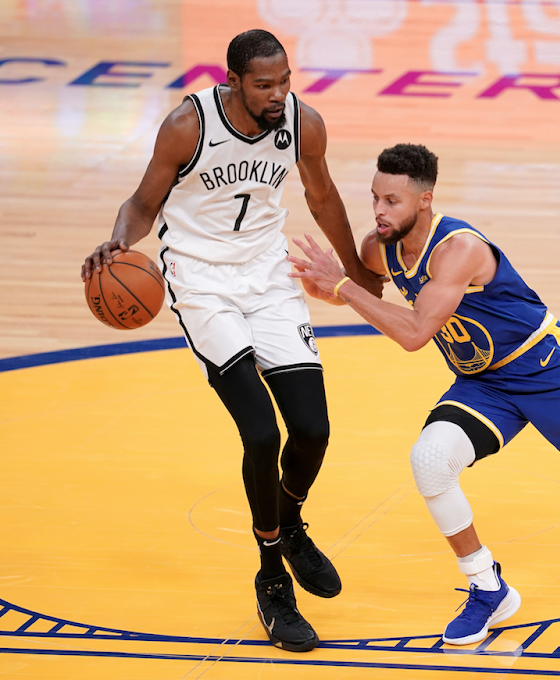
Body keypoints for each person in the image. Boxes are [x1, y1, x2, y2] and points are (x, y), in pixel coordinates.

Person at [288, 143, 560, 646]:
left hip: (547, 371)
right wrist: (330, 289)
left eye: (393, 201)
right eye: (375, 199)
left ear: (425, 200)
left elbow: (413, 333)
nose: (380, 212)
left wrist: (343, 289)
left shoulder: (459, 249)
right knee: (429, 460)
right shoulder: (378, 246)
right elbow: (367, 289)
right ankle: (487, 587)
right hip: (484, 383)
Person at [81, 29, 383, 653]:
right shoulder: (187, 125)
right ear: (234, 82)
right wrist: (120, 241)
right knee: (261, 434)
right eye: (264, 85)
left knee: (313, 428)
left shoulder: (303, 122)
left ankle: (291, 521)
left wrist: (357, 273)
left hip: (269, 274)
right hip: (200, 279)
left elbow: (321, 195)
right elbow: (143, 202)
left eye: (285, 81)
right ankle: (272, 575)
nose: (279, 94)